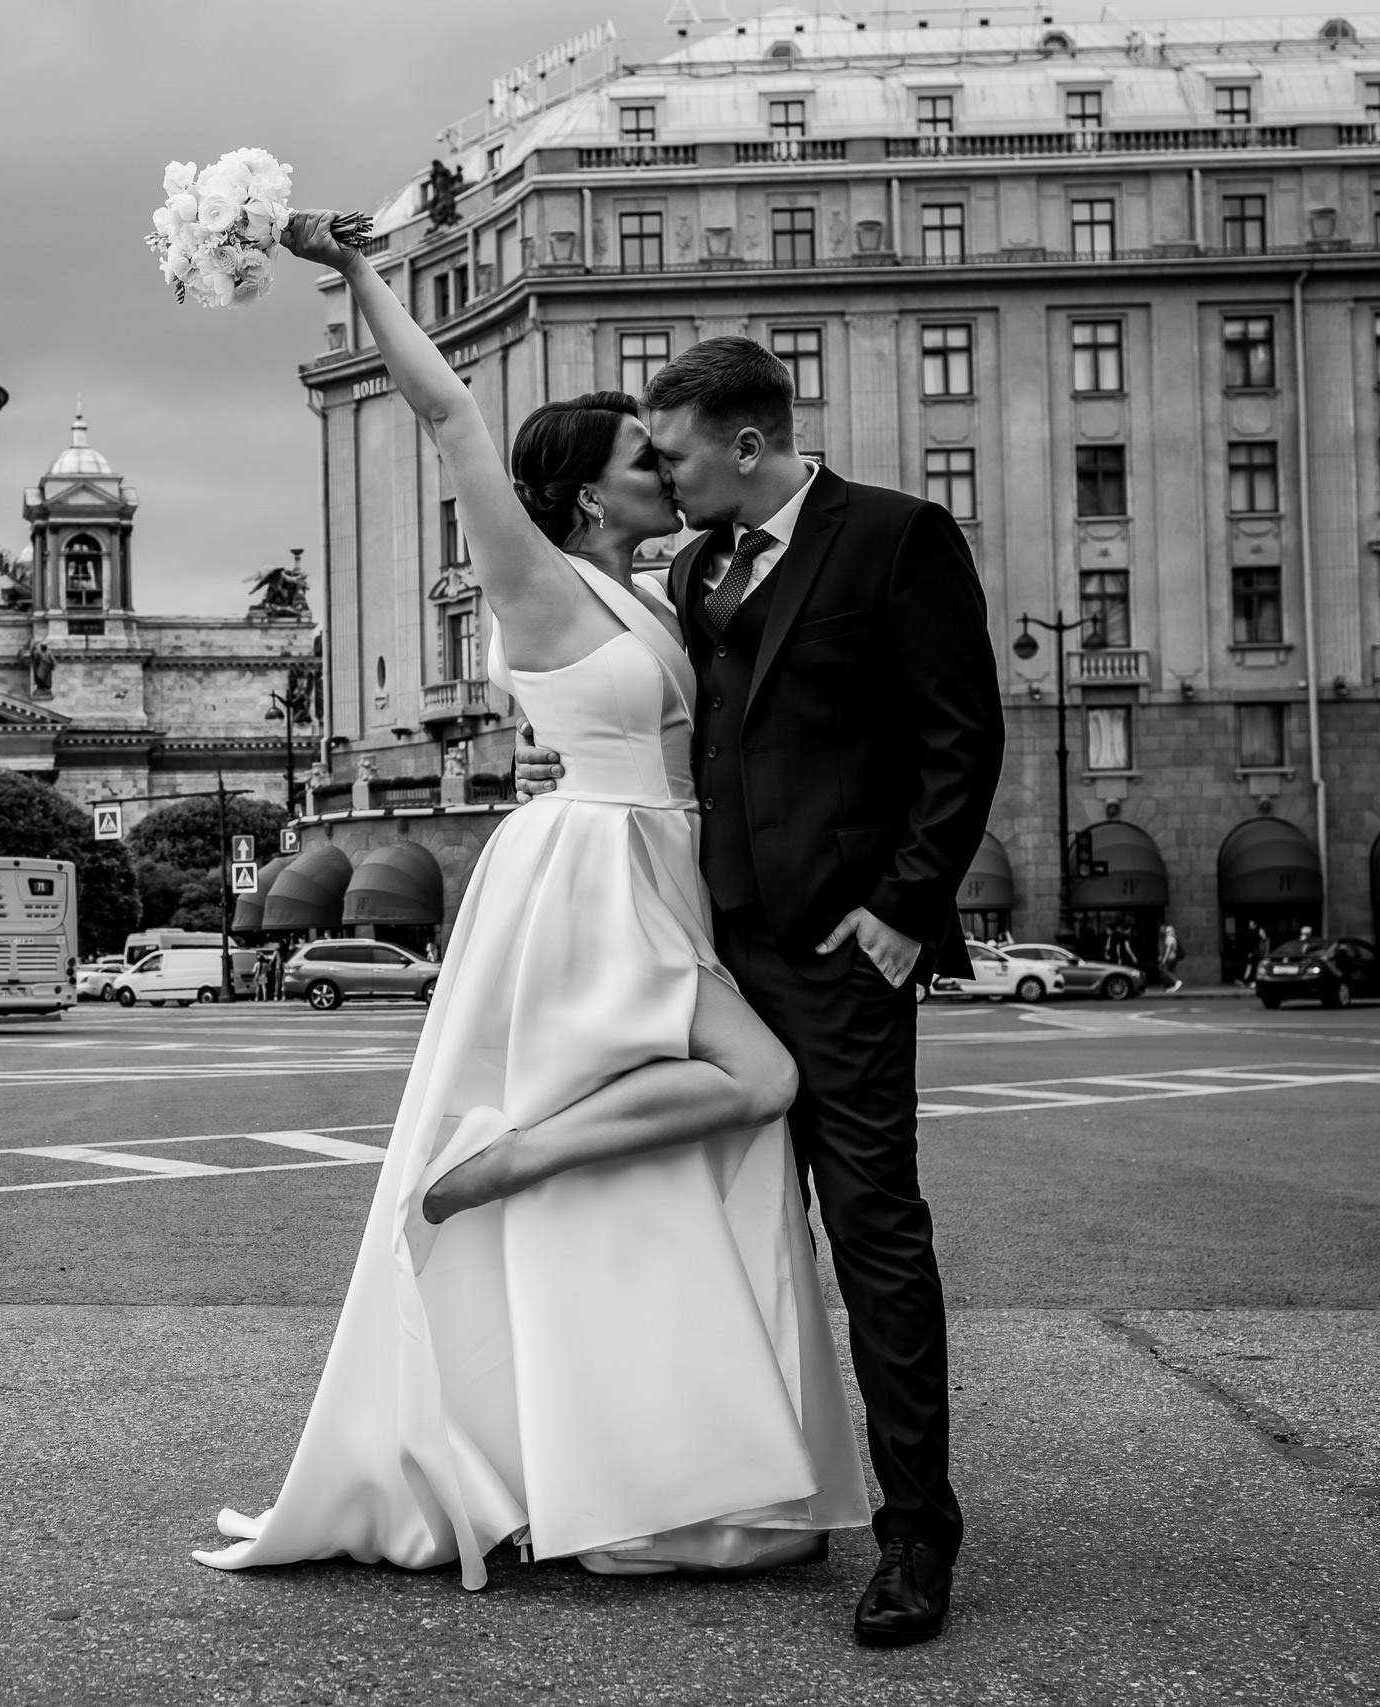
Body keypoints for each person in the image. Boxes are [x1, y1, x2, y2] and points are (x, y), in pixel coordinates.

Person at [196, 216, 867, 1605]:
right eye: (642, 461)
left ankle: (659, 1457)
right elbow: (450, 415)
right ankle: (509, 1164)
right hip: (595, 869)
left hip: (658, 861)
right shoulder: (537, 581)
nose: (666, 470)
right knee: (760, 1080)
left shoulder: (653, 589)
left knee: (723, 1127)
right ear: (585, 496)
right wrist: (360, 274)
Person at [517, 335, 1003, 1643]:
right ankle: (736, 1491)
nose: (664, 479)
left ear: (746, 443)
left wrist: (903, 909)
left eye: (674, 455)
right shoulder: (691, 570)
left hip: (839, 953)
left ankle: (917, 1535)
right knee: (729, 1234)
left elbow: (961, 737)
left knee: (873, 1231)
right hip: (710, 945)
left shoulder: (895, 537)